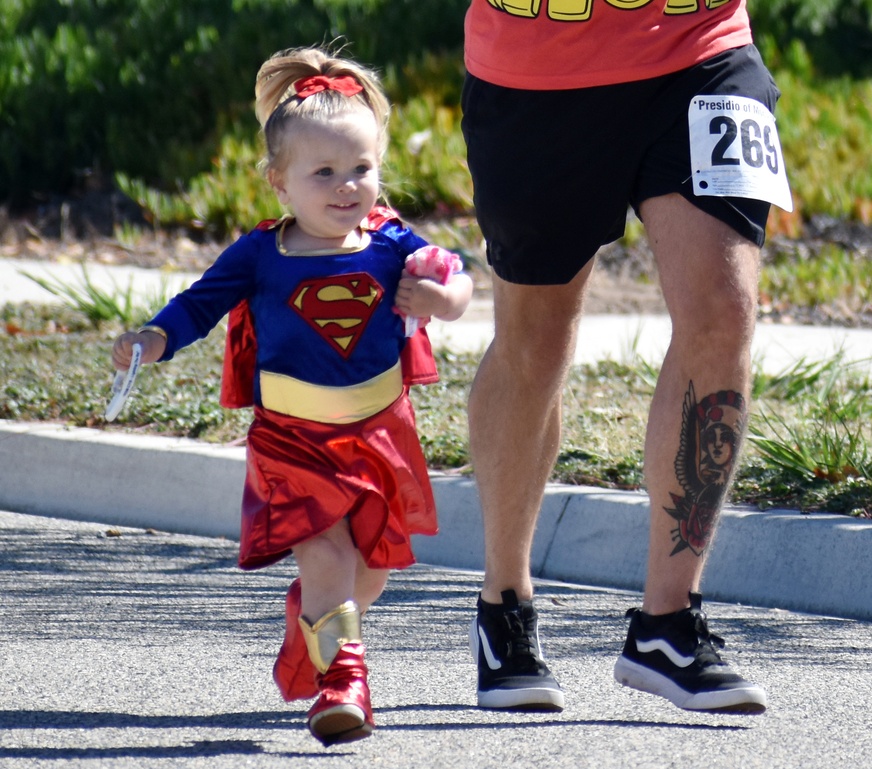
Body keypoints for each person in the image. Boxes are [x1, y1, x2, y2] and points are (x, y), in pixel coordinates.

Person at [111, 46, 473, 744]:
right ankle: (343, 684)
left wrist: (443, 299)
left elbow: (453, 277)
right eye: (323, 172)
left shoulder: (391, 243)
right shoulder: (261, 253)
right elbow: (199, 304)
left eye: (360, 168)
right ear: (279, 181)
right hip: (293, 443)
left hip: (377, 437)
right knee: (328, 559)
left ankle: (315, 620)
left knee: (369, 575)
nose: (346, 186)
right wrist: (153, 338)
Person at [462, 0, 792, 714]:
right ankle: (504, 602)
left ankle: (667, 625)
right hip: (538, 69)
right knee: (535, 340)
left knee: (724, 313)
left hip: (702, 47)